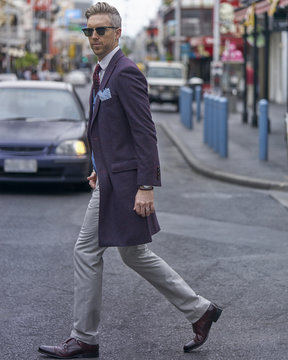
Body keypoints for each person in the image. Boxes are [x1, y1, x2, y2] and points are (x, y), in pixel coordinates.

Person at [38, 2, 222, 358]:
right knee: (134, 254)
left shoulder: (125, 72)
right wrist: (98, 164)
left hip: (124, 186)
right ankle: (200, 310)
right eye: (88, 30)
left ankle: (84, 337)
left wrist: (147, 185)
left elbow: (144, 132)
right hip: (111, 177)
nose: (93, 36)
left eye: (101, 30)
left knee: (86, 250)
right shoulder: (102, 72)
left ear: (117, 33)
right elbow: (109, 129)